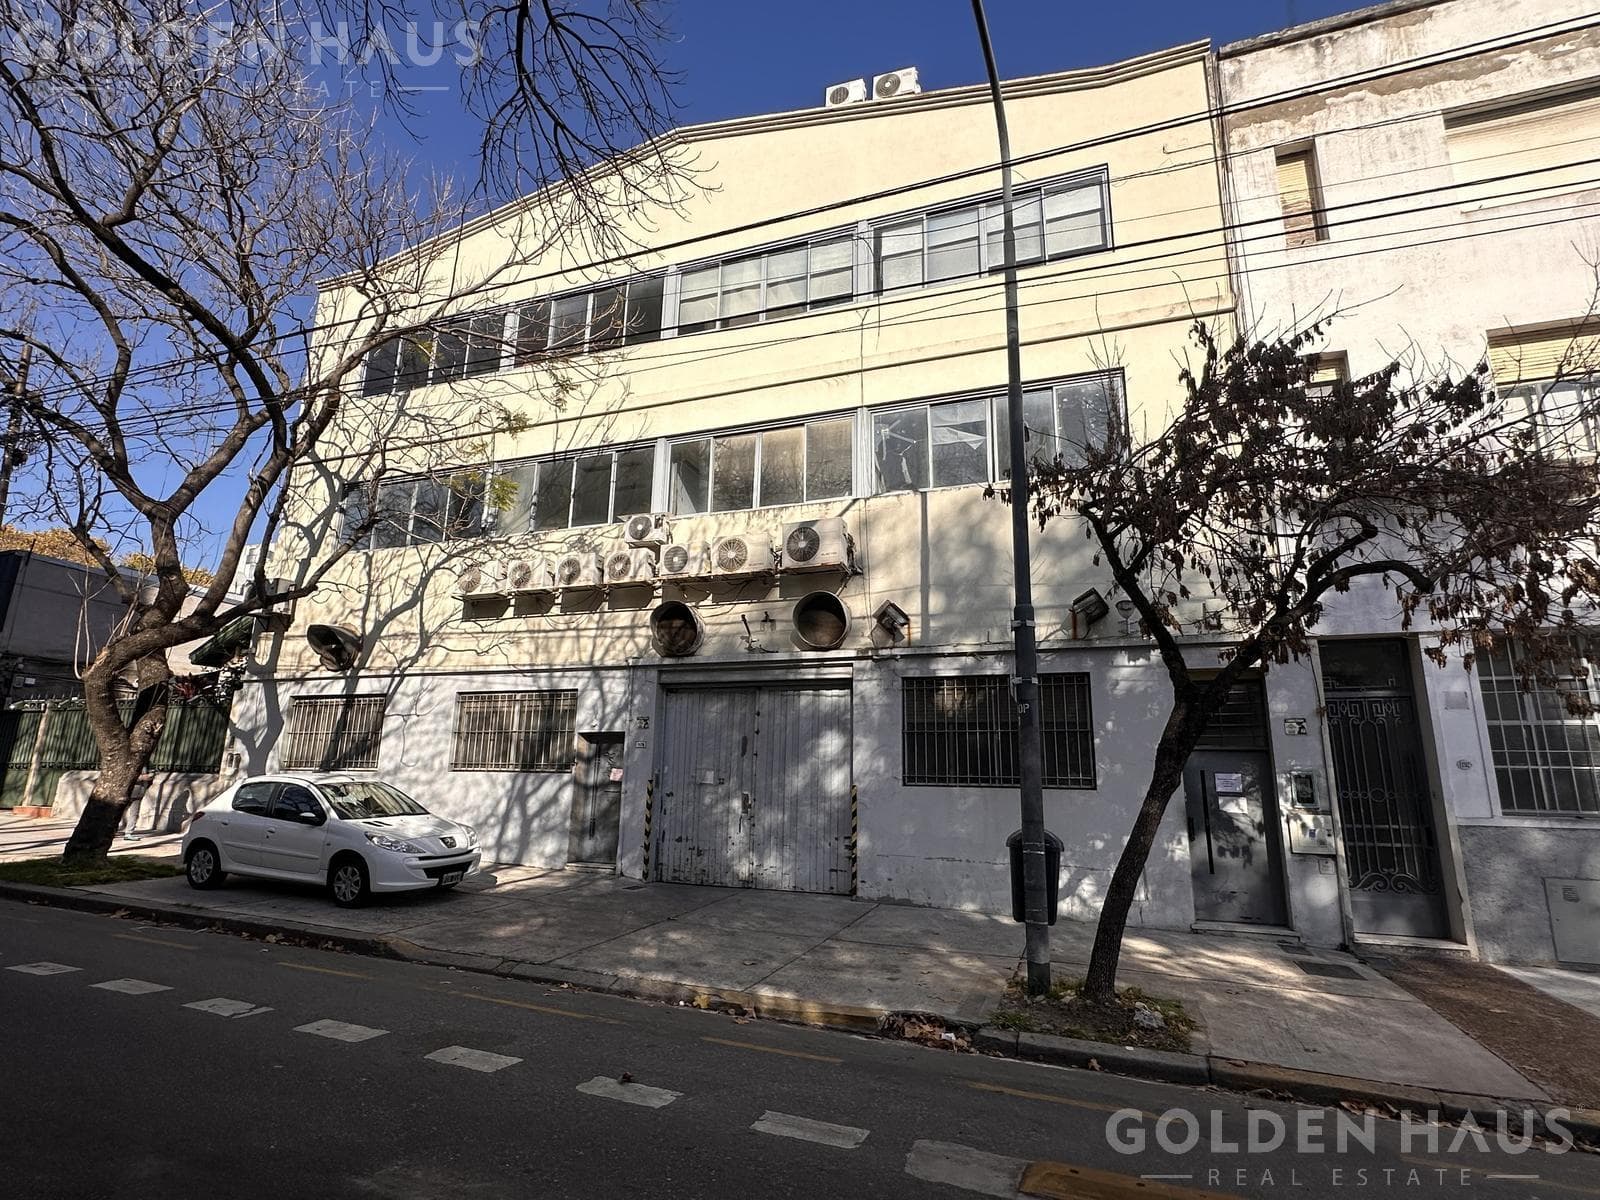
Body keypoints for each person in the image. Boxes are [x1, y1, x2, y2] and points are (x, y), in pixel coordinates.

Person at [119, 772, 155, 841]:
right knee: (119, 811)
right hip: (127, 792)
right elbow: (126, 777)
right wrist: (141, 778)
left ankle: (128, 833)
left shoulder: (146, 765)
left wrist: (150, 777)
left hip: (139, 793)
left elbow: (151, 777)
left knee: (134, 814)